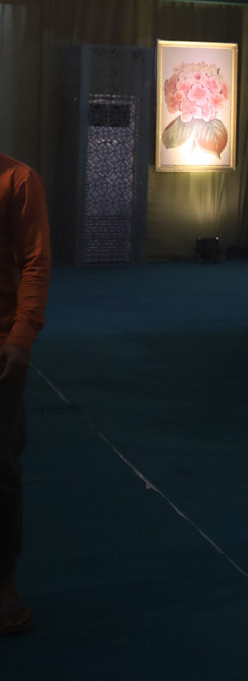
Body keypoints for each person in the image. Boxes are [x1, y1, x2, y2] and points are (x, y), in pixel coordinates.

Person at [0, 152, 49, 637]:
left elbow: (35, 263)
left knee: (1, 471)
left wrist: (21, 334)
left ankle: (2, 579)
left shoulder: (18, 180)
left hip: (1, 348)